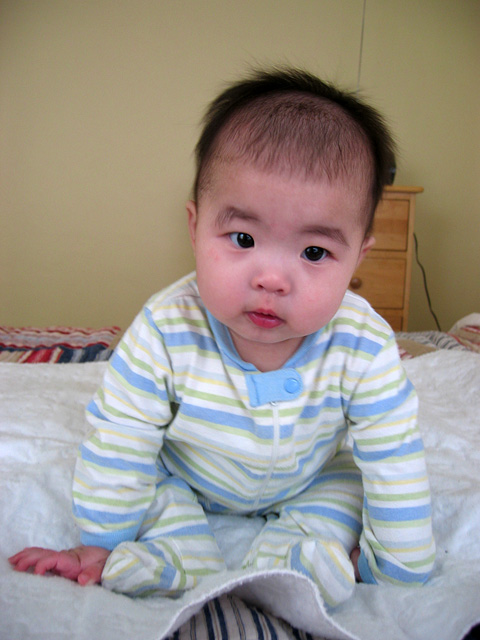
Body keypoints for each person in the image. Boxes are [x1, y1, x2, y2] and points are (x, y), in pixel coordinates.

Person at [9, 67, 435, 608]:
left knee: (351, 484)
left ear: (358, 257)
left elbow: (394, 456)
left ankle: (297, 557)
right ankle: (174, 556)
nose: (272, 279)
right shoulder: (166, 328)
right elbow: (120, 435)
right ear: (194, 228)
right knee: (149, 481)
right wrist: (101, 542)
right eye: (242, 238)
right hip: (192, 474)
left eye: (314, 253)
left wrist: (400, 572)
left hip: (306, 480)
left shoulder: (363, 343)